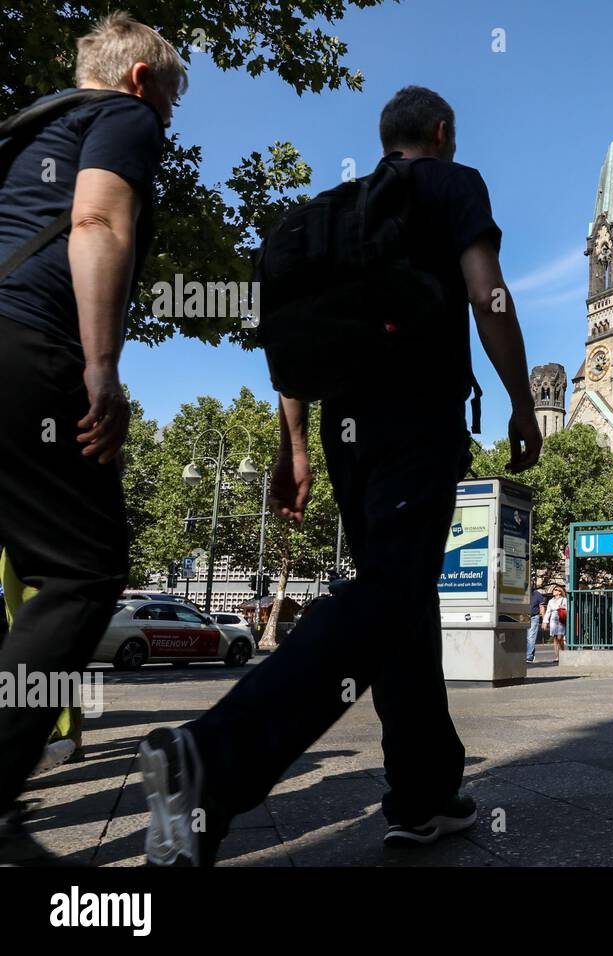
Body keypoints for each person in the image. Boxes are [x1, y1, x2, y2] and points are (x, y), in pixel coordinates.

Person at [136, 85, 544, 866]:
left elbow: (292, 342)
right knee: (391, 596)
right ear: (442, 132)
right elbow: (487, 292)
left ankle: (423, 796)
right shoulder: (452, 183)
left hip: (344, 431)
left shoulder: (336, 209)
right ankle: (211, 760)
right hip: (418, 420)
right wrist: (522, 405)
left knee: (403, 603)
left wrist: (295, 448)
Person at [0, 13, 184, 866]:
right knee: (81, 567)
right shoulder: (125, 117)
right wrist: (101, 371)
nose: (172, 123)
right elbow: (97, 224)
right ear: (143, 79)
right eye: (174, 99)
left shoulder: (27, 124)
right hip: (27, 345)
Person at [544, 583, 567, 657]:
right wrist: (545, 621)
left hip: (560, 618)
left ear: (560, 592)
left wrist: (564, 607)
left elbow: (568, 608)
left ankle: (563, 654)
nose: (554, 591)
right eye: (554, 590)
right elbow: (548, 611)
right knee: (555, 638)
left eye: (556, 590)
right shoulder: (551, 601)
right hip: (553, 619)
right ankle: (557, 656)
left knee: (559, 637)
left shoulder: (564, 599)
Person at [527, 585, 547, 663]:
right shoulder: (522, 593)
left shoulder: (537, 594)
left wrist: (544, 620)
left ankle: (529, 656)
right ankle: (531, 654)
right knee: (526, 637)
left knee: (531, 636)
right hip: (523, 617)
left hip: (534, 617)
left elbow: (542, 607)